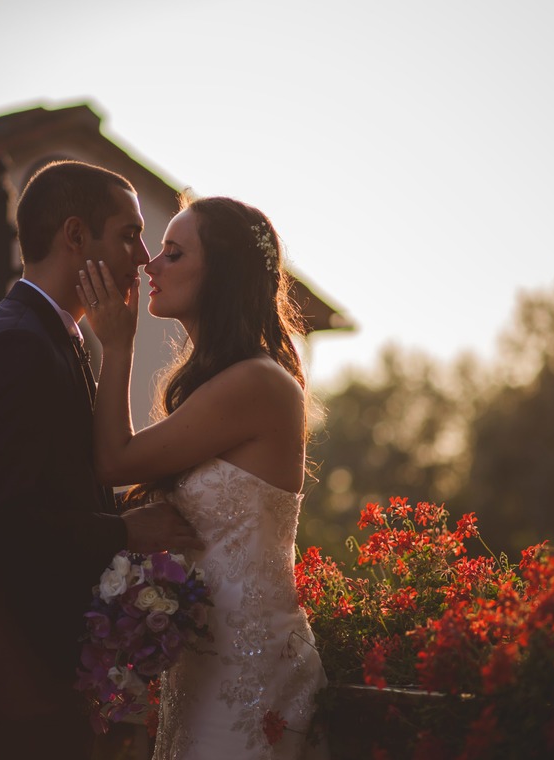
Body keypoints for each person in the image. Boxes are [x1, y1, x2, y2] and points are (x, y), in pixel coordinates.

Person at [0, 160, 203, 760]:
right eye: (129, 235)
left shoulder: (54, 339)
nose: (141, 258)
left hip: (38, 679)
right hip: (11, 686)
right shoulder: (15, 347)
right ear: (75, 236)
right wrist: (124, 531)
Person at [78, 195, 329, 759]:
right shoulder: (218, 384)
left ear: (221, 274)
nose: (150, 266)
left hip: (251, 671)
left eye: (172, 252)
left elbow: (114, 461)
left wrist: (116, 346)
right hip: (203, 667)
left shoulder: (256, 384)